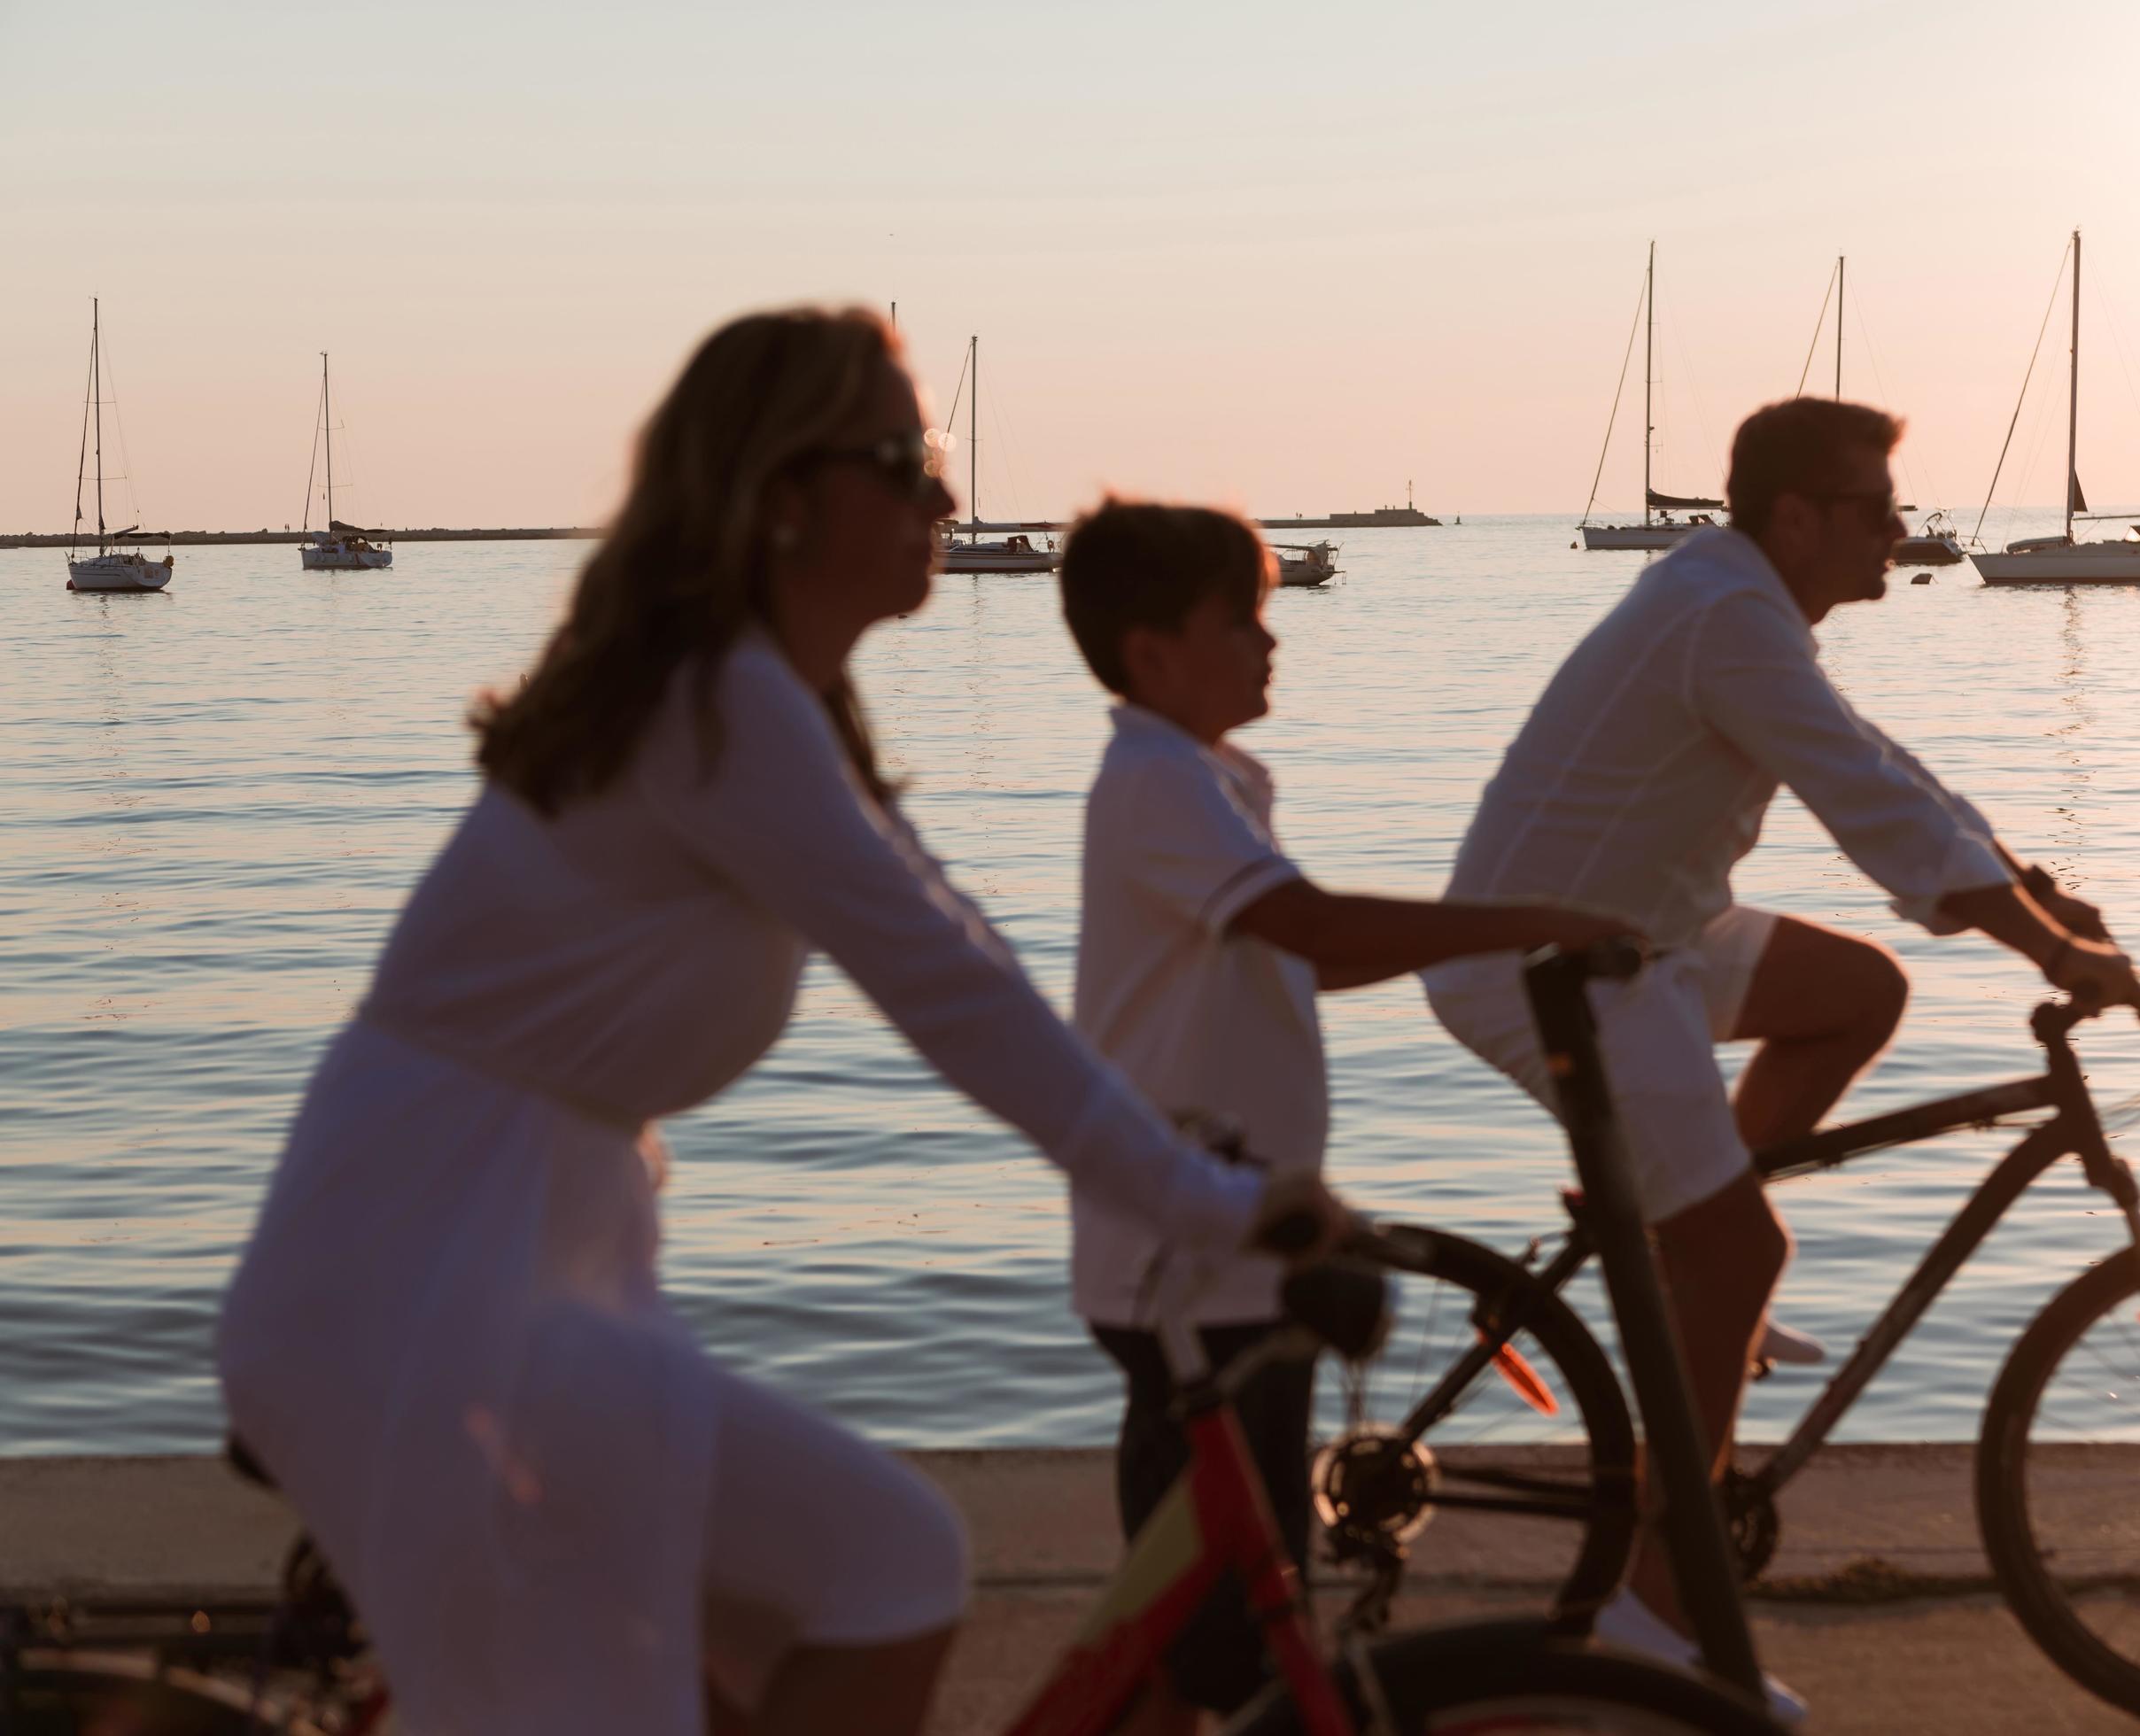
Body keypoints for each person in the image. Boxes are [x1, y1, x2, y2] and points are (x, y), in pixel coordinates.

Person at [215, 308, 1344, 1736]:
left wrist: (1198, 1183)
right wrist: (1207, 1203)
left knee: (758, 1652)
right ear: (788, 496)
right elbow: (957, 1001)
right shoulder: (721, 703)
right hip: (427, 1274)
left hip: (493, 1253)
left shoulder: (777, 703)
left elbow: (963, 944)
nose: (945, 496)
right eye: (908, 458)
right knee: (894, 1561)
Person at [1423, 398, 2140, 1723]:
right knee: (1745, 1258)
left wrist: (2034, 888)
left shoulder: (1743, 607)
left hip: (1646, 933)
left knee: (1857, 992)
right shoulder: (1728, 619)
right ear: (1795, 517)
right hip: (1553, 966)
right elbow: (1864, 803)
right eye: (1877, 509)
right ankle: (1653, 1606)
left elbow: (1884, 765)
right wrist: (2050, 955)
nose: (1901, 530)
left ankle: (1674, 1247)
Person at [1054, 500, 1636, 1732]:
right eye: (1241, 624)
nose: (1271, 645)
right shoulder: (1156, 785)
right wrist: (1533, 918)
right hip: (1188, 1269)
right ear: (1154, 654)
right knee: (1220, 1631)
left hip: (1235, 1254)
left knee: (1211, 1624)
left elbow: (1302, 954)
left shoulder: (1207, 782)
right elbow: (1313, 930)